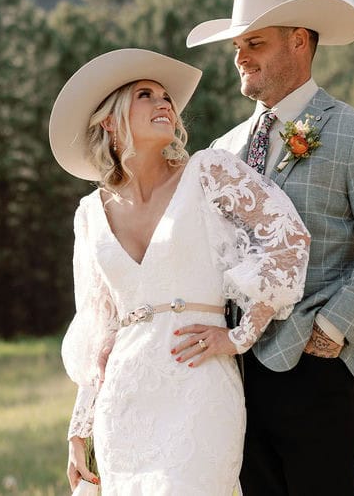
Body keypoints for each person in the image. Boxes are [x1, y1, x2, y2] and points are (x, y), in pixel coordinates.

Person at [186, 0, 354, 495]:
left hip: (314, 368)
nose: (240, 57)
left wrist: (336, 328)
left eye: (255, 43)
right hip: (233, 377)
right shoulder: (221, 150)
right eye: (237, 47)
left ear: (299, 40)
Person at [49, 48, 311, 495]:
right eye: (145, 95)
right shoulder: (89, 214)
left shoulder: (210, 173)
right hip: (126, 403)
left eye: (167, 95)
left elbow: (288, 241)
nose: (164, 102)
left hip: (199, 385)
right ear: (109, 120)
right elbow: (99, 327)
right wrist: (79, 431)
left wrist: (239, 336)